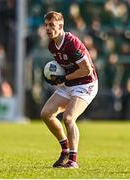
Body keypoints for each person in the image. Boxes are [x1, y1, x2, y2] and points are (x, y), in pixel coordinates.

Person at [41, 11, 98, 168]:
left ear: (61, 26)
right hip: (71, 83)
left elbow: (86, 70)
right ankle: (65, 149)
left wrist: (64, 78)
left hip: (86, 84)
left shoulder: (72, 42)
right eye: (46, 25)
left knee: (68, 118)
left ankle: (73, 160)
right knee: (46, 114)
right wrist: (55, 76)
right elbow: (64, 67)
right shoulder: (52, 45)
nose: (48, 28)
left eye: (51, 25)